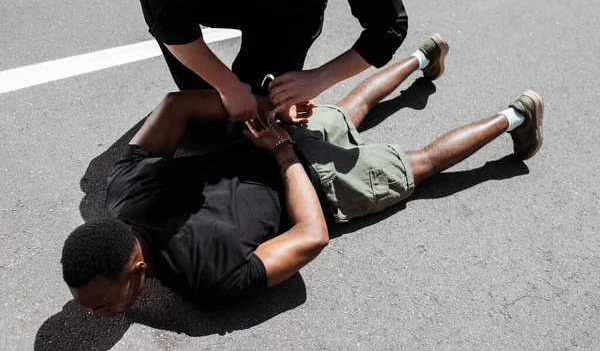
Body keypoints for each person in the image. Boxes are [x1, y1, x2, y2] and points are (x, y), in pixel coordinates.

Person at [61, 34, 544, 317]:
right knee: (352, 107)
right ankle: (423, 55)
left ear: (138, 272)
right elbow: (176, 107)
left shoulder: (202, 281)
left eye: (102, 306)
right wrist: (266, 113)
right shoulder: (121, 190)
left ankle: (518, 116)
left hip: (314, 181)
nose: (96, 314)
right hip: (273, 131)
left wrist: (284, 153)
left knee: (421, 163)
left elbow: (312, 236)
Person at [139, 0, 409, 121]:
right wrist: (227, 86)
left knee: (261, 115)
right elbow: (163, 4)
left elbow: (387, 27)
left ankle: (422, 57)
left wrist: (319, 78)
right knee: (204, 123)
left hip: (289, 12)